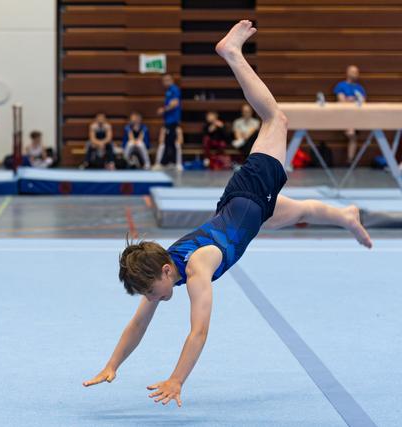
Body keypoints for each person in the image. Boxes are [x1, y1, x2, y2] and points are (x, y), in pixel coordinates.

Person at [82, 21, 373, 407]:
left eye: (152, 291)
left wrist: (177, 379)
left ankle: (232, 53)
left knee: (276, 119)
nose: (154, 298)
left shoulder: (197, 268)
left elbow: (198, 332)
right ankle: (347, 216)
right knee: (300, 209)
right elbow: (139, 323)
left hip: (250, 194)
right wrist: (112, 364)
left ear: (166, 272)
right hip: (245, 210)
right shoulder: (160, 265)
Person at [334, 65, 367, 164]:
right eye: (353, 72)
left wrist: (350, 99)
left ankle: (350, 160)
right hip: (344, 114)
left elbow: (363, 103)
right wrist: (354, 100)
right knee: (352, 134)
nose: (356, 74)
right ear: (347, 73)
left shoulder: (360, 88)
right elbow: (341, 101)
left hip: (356, 115)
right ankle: (350, 130)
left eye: (357, 72)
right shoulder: (341, 85)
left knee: (353, 136)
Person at [154, 74, 183, 171]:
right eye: (164, 80)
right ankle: (169, 162)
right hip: (168, 120)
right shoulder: (168, 91)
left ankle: (169, 163)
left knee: (171, 142)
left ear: (171, 80)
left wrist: (164, 110)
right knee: (168, 142)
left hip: (172, 120)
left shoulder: (174, 89)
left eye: (167, 80)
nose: (165, 82)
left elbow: (175, 103)